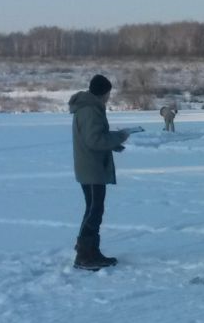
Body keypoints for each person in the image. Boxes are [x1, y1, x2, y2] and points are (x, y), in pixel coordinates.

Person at [68, 74, 130, 271]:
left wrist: (114, 143)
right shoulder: (91, 110)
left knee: (93, 209)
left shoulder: (87, 107)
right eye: (108, 93)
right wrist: (120, 136)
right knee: (95, 210)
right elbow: (94, 140)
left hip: (90, 166)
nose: (109, 97)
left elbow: (95, 138)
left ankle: (89, 250)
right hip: (92, 168)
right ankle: (85, 255)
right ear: (104, 93)